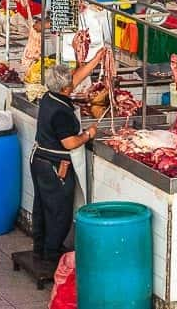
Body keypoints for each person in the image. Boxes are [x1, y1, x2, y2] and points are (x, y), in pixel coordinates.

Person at [31, 48, 107, 261]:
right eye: (70, 84)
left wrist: (96, 60)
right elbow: (71, 142)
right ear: (66, 89)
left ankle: (41, 248)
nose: (73, 84)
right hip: (56, 166)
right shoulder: (61, 112)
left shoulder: (49, 96)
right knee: (59, 211)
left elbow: (75, 77)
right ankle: (52, 254)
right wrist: (88, 134)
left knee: (42, 206)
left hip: (39, 160)